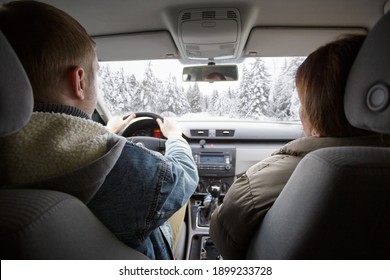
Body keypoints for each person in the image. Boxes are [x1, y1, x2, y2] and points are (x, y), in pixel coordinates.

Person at [0, 0, 198, 260]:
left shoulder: (13, 154)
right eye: (97, 73)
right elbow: (183, 179)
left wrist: (107, 132)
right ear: (79, 81)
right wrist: (175, 139)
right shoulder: (112, 159)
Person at [209, 34, 390, 259]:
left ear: (316, 112)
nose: (300, 111)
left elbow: (222, 240)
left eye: (303, 102)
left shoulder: (255, 187)